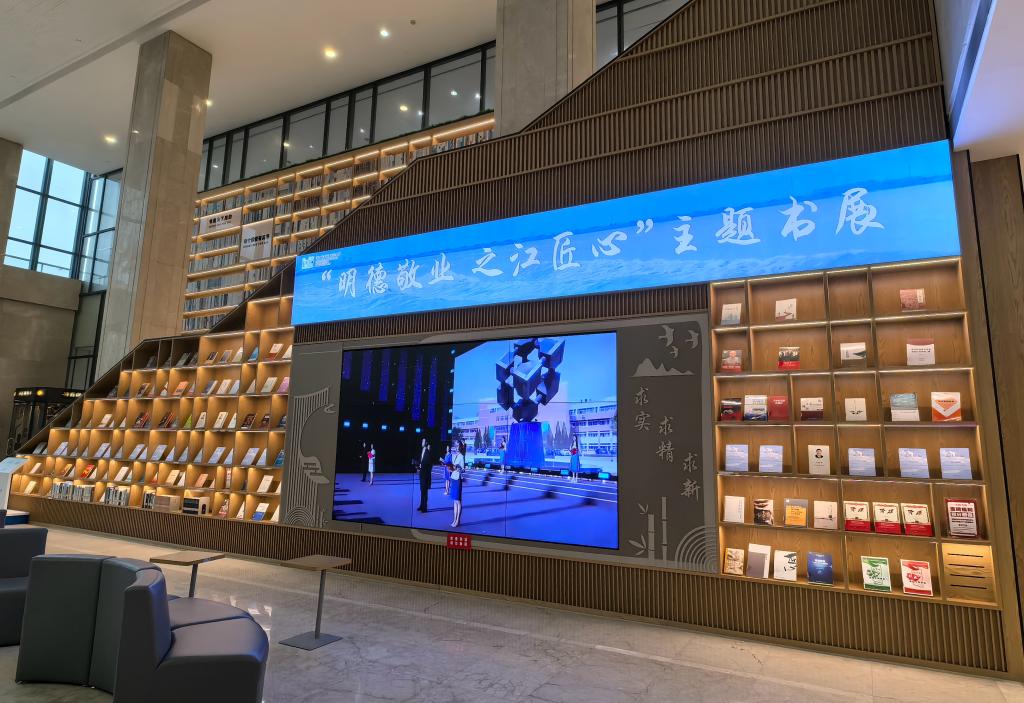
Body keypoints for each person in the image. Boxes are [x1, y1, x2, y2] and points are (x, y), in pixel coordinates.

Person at [450, 441, 466, 528]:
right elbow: (453, 467)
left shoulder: (461, 456)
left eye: (458, 446)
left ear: (460, 447)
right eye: (456, 446)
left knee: (458, 501)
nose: (457, 447)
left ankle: (458, 520)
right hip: (453, 478)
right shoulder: (454, 455)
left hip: (458, 479)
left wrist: (457, 468)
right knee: (454, 501)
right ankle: (454, 519)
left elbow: (463, 469)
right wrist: (450, 468)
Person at [417, 438, 432, 512]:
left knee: (424, 492)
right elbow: (421, 462)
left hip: (425, 475)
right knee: (422, 491)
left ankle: (424, 508)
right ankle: (421, 505)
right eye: (422, 441)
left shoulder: (427, 452)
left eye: (423, 441)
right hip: (421, 474)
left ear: (426, 443)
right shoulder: (422, 451)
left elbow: (429, 465)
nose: (422, 442)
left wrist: (422, 467)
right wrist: (418, 466)